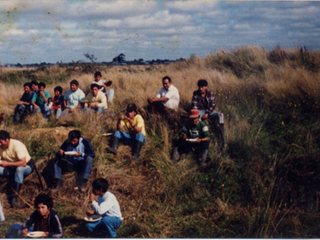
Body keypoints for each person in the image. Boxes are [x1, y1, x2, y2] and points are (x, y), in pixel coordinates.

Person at [0, 130, 35, 207]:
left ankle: (15, 197)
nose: (0, 144)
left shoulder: (17, 145)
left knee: (19, 169)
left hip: (26, 166)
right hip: (11, 168)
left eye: (1, 142)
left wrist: (7, 163)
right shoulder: (1, 147)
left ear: (7, 139)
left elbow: (23, 163)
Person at [191, 79, 224, 148]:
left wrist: (207, 113)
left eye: (202, 87)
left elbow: (213, 105)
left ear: (206, 86)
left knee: (220, 115)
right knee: (197, 118)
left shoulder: (210, 93)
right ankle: (198, 136)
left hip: (208, 110)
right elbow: (194, 105)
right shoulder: (196, 93)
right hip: (199, 111)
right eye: (199, 87)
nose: (200, 88)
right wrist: (198, 114)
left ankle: (221, 131)